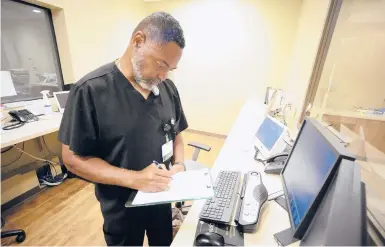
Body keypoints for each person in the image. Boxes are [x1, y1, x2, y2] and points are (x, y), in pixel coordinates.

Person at [58, 12, 187, 246]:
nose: (163, 75)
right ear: (138, 41)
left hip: (163, 197)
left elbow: (177, 134)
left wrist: (179, 165)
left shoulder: (167, 89)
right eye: (160, 64)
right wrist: (136, 179)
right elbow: (72, 158)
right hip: (122, 209)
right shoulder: (90, 91)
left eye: (171, 69)